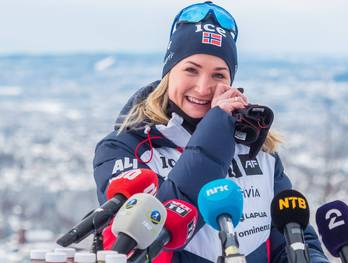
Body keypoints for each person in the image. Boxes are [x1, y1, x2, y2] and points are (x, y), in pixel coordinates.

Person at [93, 2, 329, 262]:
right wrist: (216, 130)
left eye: (218, 75)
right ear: (169, 73)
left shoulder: (256, 148)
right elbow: (148, 233)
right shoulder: (123, 148)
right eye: (191, 70)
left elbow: (292, 235)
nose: (203, 87)